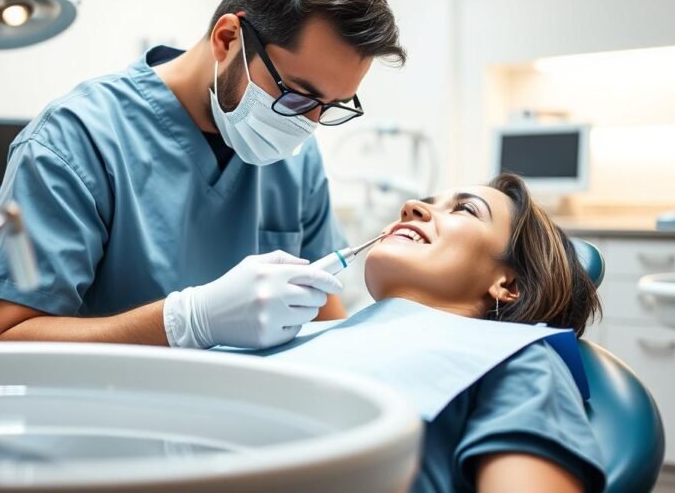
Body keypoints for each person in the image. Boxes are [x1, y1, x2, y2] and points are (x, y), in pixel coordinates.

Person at [0, 0, 406, 349]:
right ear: (227, 39)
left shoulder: (297, 160)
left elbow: (323, 318)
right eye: (296, 95)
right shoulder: (75, 141)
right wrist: (185, 321)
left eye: (329, 107)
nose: (307, 124)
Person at [241, 173, 607, 493]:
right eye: (426, 201)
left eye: (465, 209)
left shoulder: (517, 359)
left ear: (508, 284)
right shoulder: (294, 333)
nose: (411, 207)